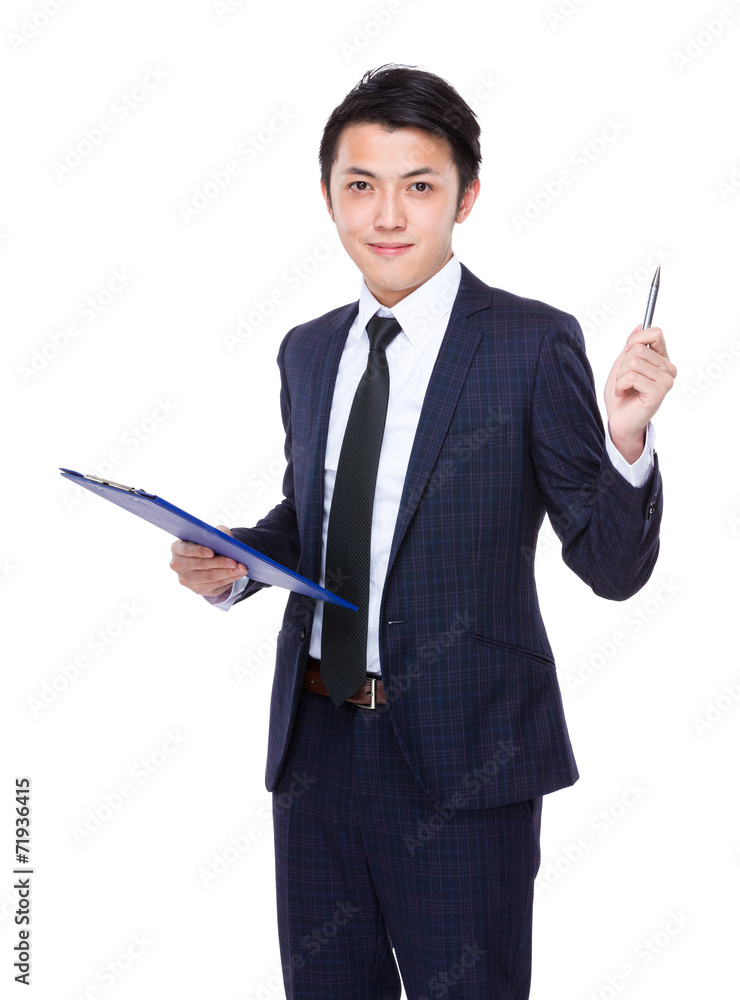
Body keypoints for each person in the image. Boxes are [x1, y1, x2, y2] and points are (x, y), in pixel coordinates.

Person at [170, 65, 676, 1000]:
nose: (388, 215)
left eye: (420, 186)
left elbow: (609, 565)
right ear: (328, 197)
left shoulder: (530, 343)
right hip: (315, 754)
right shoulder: (309, 349)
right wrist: (235, 560)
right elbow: (314, 519)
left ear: (465, 196)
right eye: (361, 185)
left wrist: (627, 437)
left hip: (464, 758)